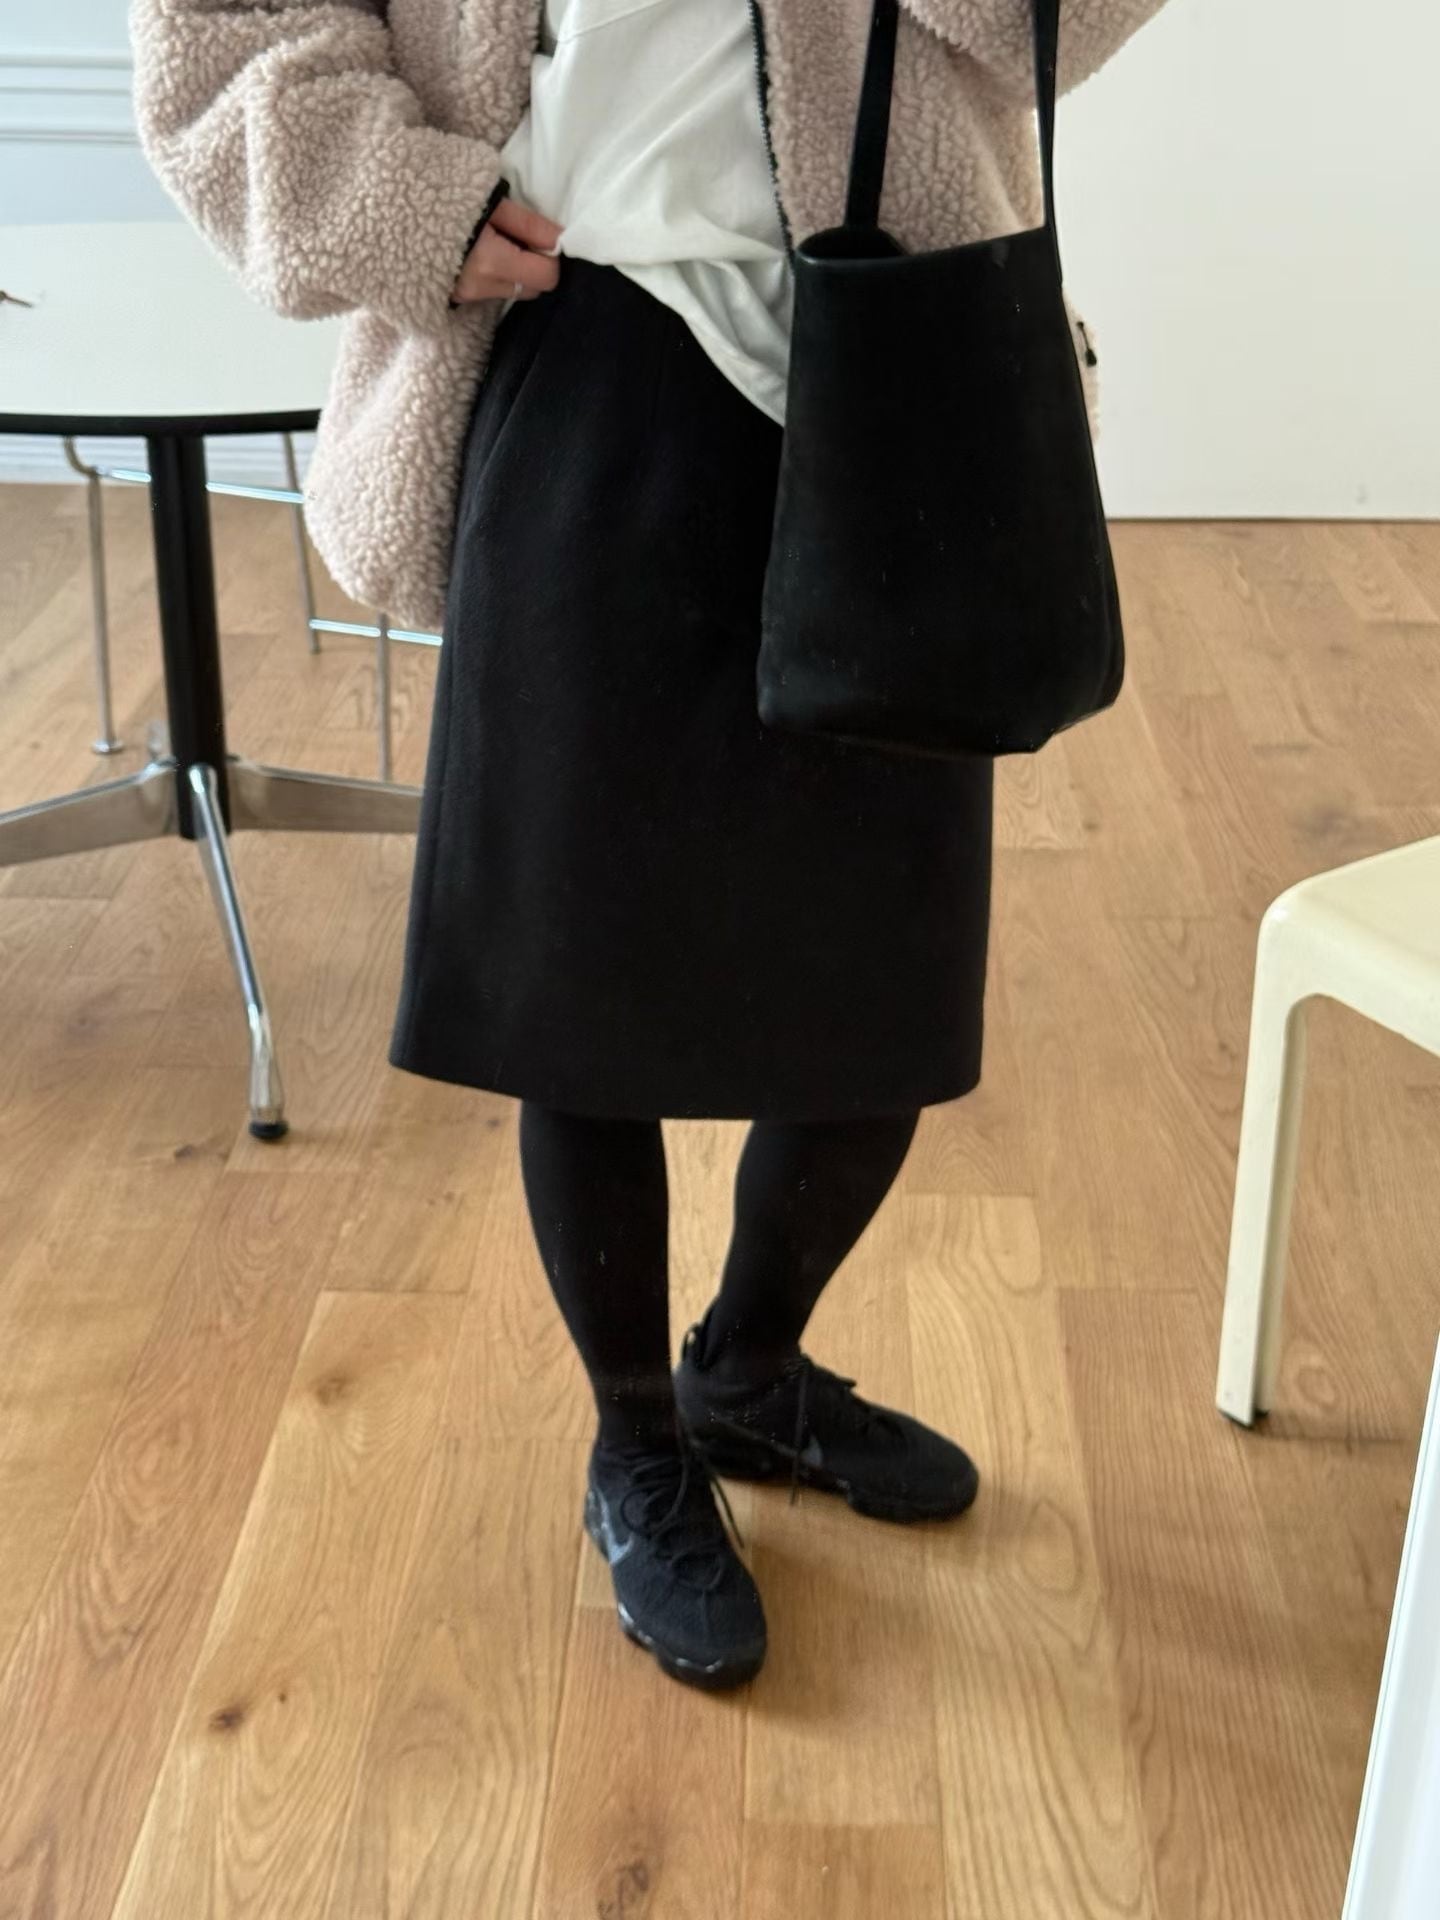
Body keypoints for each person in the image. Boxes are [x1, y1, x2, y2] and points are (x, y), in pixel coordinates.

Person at [131, 0, 1169, 1691]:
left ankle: (749, 1368)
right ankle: (635, 1445)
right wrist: (393, 196)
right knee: (579, 983)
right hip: (571, 334)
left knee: (888, 979)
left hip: (892, 341)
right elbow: (220, 24)